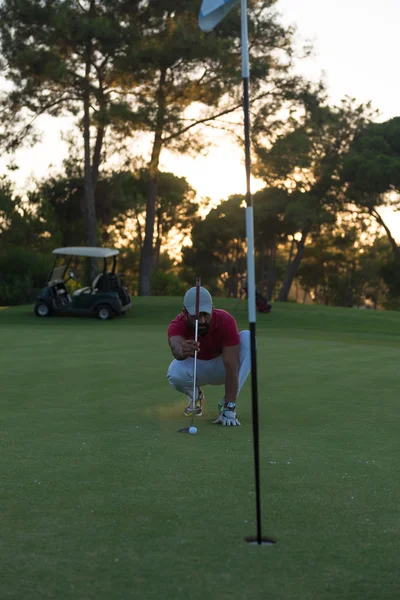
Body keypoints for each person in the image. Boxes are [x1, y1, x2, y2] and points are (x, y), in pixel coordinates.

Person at [166, 286, 251, 427]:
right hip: (195, 368)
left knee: (248, 338)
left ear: (212, 308)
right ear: (185, 313)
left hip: (221, 368)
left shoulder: (225, 320)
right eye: (196, 316)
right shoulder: (177, 324)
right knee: (174, 372)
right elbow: (176, 347)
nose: (203, 320)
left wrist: (231, 404)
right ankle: (196, 396)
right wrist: (181, 350)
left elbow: (231, 365)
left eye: (206, 314)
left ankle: (227, 405)